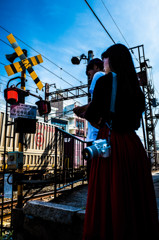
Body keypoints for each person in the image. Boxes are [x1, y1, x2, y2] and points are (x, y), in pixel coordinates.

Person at [78, 44, 159, 240]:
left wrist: (89, 113)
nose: (103, 63)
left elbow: (93, 112)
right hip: (132, 145)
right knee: (135, 194)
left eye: (105, 59)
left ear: (111, 60)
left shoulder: (104, 83)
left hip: (109, 143)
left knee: (108, 191)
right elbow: (136, 123)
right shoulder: (136, 88)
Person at [73, 58, 105, 181]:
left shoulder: (99, 75)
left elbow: (96, 101)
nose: (90, 78)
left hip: (95, 138)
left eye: (89, 74)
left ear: (96, 67)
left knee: (94, 177)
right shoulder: (110, 78)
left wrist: (82, 110)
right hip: (100, 136)